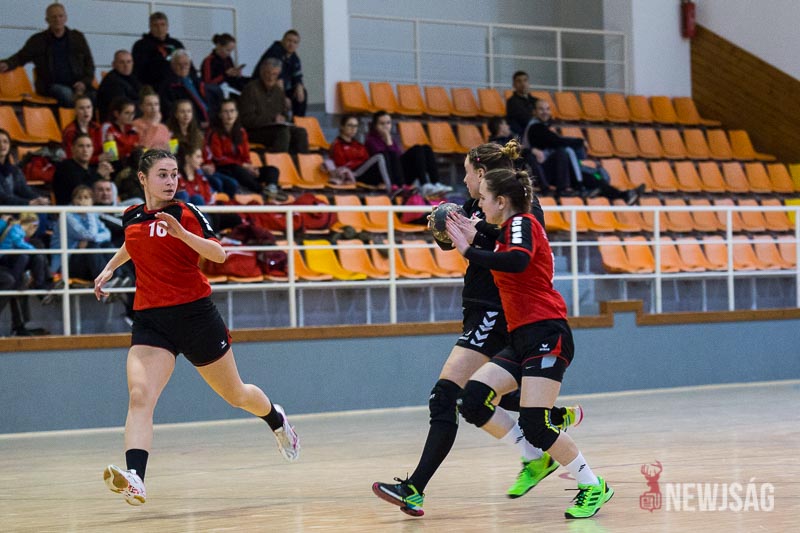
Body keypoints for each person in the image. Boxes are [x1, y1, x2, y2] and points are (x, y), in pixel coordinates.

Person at [372, 141, 573, 518]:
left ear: (482, 174)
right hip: (478, 311)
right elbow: (450, 242)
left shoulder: (519, 209)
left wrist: (474, 236)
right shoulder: (477, 204)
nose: (463, 181)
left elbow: (513, 254)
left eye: (467, 173)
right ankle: (547, 428)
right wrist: (442, 224)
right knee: (479, 397)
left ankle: (414, 488)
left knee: (445, 396)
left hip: (496, 314)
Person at [95, 149, 300, 506]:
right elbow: (134, 242)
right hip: (151, 321)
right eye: (162, 174)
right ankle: (136, 479)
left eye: (174, 174)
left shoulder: (186, 213)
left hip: (195, 317)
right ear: (143, 179)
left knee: (236, 394)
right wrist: (110, 267)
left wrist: (182, 234)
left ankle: (276, 418)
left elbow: (219, 254)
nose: (170, 181)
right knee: (140, 396)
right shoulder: (132, 216)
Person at [446, 167, 613, 519]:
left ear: (501, 201)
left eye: (484, 198)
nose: (479, 204)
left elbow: (518, 259)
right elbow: (505, 244)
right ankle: (535, 458)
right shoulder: (509, 229)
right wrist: (479, 232)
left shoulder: (521, 222)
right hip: (521, 337)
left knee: (537, 423)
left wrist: (468, 249)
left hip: (546, 333)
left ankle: (592, 485)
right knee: (473, 400)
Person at [526, 99, 642, 203]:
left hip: (561, 171)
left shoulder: (542, 127)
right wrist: (580, 142)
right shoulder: (535, 128)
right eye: (541, 109)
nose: (545, 112)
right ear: (534, 112)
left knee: (595, 180)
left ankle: (624, 195)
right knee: (562, 152)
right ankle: (565, 189)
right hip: (547, 173)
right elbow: (558, 141)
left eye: (547, 109)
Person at [0, 3, 95, 106]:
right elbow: (21, 57)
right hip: (50, 85)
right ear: (47, 20)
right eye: (54, 17)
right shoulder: (38, 40)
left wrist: (84, 82)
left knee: (95, 96)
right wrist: (7, 63)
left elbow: (89, 64)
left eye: (60, 16)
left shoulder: (77, 38)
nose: (57, 19)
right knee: (66, 94)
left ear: (66, 18)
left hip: (78, 84)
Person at [206, 99, 282, 200]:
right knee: (237, 169)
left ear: (237, 113)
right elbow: (218, 158)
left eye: (232, 111)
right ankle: (262, 191)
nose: (229, 115)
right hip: (224, 168)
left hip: (242, 168)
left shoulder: (241, 132)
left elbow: (246, 155)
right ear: (220, 115)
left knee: (272, 170)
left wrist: (250, 167)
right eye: (226, 112)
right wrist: (242, 165)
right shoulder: (214, 133)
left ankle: (272, 189)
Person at [365, 110, 451, 197]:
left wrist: (389, 140)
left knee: (426, 148)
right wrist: (388, 141)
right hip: (389, 177)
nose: (386, 127)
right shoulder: (371, 140)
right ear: (375, 126)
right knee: (416, 149)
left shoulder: (392, 139)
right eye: (382, 124)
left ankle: (435, 183)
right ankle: (424, 184)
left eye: (388, 123)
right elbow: (388, 159)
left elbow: (398, 157)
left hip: (400, 174)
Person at [239, 58, 309, 154]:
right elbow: (246, 119)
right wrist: (272, 119)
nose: (271, 77)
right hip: (254, 130)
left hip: (275, 128)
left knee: (300, 132)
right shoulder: (250, 89)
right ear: (261, 72)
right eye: (268, 73)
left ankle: (299, 161)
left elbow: (285, 115)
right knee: (282, 132)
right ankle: (279, 161)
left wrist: (283, 118)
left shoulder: (278, 91)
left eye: (274, 74)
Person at [50, 185, 114, 282]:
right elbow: (89, 235)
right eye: (79, 198)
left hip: (86, 262)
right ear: (73, 201)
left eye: (86, 198)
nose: (82, 201)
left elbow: (107, 234)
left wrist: (93, 239)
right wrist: (89, 212)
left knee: (107, 245)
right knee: (91, 246)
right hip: (66, 263)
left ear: (92, 201)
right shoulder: (67, 215)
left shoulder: (93, 214)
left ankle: (117, 278)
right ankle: (104, 281)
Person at [159, 49, 220, 128]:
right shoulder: (168, 86)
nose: (183, 67)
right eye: (179, 64)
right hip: (191, 126)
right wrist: (198, 124)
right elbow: (171, 112)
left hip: (210, 121)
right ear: (172, 65)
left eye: (186, 64)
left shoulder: (196, 81)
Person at [330, 115, 393, 191]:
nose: (353, 129)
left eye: (355, 126)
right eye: (350, 125)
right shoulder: (337, 145)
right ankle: (390, 188)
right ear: (342, 127)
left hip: (363, 172)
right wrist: (356, 162)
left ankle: (396, 185)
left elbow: (366, 159)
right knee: (380, 156)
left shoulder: (358, 145)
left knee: (388, 157)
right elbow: (341, 165)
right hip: (352, 173)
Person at [252, 30, 306, 117]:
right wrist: (283, 97)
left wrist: (299, 86)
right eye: (289, 40)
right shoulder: (275, 52)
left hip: (280, 87)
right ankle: (280, 120)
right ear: (282, 40)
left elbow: (297, 75)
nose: (291, 44)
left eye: (295, 42)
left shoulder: (293, 57)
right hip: (264, 87)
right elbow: (276, 79)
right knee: (278, 96)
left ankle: (298, 121)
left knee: (302, 92)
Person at [53, 133, 113, 205]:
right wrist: (99, 175)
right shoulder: (65, 167)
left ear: (92, 149)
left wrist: (106, 178)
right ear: (72, 149)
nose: (85, 150)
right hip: (70, 208)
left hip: (94, 208)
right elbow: (80, 191)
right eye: (81, 146)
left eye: (88, 146)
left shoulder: (92, 169)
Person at [132, 12, 185, 89]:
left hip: (177, 86)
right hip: (153, 87)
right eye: (155, 25)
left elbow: (188, 66)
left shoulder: (176, 44)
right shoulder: (141, 46)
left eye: (162, 25)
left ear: (167, 26)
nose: (159, 29)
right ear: (150, 27)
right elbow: (137, 71)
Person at [0, 129, 50, 206]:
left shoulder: (14, 170)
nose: (2, 145)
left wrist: (38, 199)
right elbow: (2, 198)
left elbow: (25, 191)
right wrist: (28, 203)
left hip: (14, 208)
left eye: (5, 142)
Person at [97, 50, 142, 122]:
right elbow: (123, 107)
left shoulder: (132, 77)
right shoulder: (112, 82)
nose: (126, 65)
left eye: (129, 62)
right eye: (121, 62)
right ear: (114, 64)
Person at [62, 96, 104, 165]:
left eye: (88, 107)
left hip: (96, 164)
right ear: (75, 111)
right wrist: (97, 159)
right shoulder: (70, 131)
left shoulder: (97, 127)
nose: (86, 111)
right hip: (78, 167)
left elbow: (101, 150)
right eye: (81, 108)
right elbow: (72, 159)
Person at [101, 97, 140, 169]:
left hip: (131, 166)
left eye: (132, 113)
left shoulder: (133, 130)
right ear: (116, 114)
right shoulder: (108, 127)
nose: (131, 116)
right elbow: (111, 156)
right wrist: (110, 142)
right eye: (127, 113)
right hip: (113, 166)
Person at [132, 86, 171, 151]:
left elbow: (169, 150)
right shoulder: (135, 125)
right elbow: (143, 148)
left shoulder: (163, 128)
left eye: (156, 104)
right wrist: (153, 125)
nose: (153, 107)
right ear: (141, 107)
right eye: (149, 104)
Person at [506, 71, 538, 137]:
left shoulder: (536, 101)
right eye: (519, 81)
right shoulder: (511, 102)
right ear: (514, 85)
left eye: (525, 80)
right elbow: (524, 119)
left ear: (529, 83)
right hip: (524, 135)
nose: (523, 84)